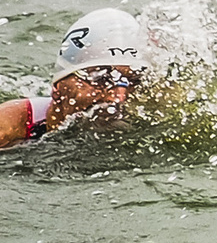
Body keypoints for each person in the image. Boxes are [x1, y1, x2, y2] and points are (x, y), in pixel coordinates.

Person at [0, 8, 149, 143]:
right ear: (58, 86)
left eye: (133, 80)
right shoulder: (10, 129)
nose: (118, 97)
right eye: (100, 79)